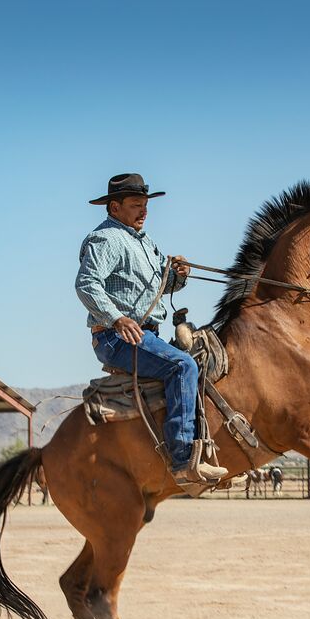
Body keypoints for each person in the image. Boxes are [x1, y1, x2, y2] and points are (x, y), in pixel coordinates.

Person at [76, 173, 228, 488]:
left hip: (147, 334)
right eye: (136, 206)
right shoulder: (105, 239)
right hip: (116, 338)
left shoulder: (145, 242)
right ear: (114, 207)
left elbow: (161, 287)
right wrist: (117, 318)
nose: (143, 212)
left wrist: (179, 275)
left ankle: (209, 447)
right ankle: (184, 459)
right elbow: (87, 284)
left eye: (145, 205)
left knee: (201, 360)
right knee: (182, 365)